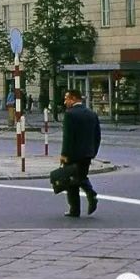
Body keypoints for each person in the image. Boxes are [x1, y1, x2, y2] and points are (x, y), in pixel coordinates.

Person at [60, 88, 101, 218]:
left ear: (74, 99)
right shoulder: (91, 113)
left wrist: (64, 154)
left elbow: (68, 137)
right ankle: (90, 195)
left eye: (67, 98)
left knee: (71, 182)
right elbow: (97, 135)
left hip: (73, 154)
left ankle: (75, 209)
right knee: (81, 176)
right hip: (87, 154)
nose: (65, 101)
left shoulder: (70, 114)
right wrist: (93, 151)